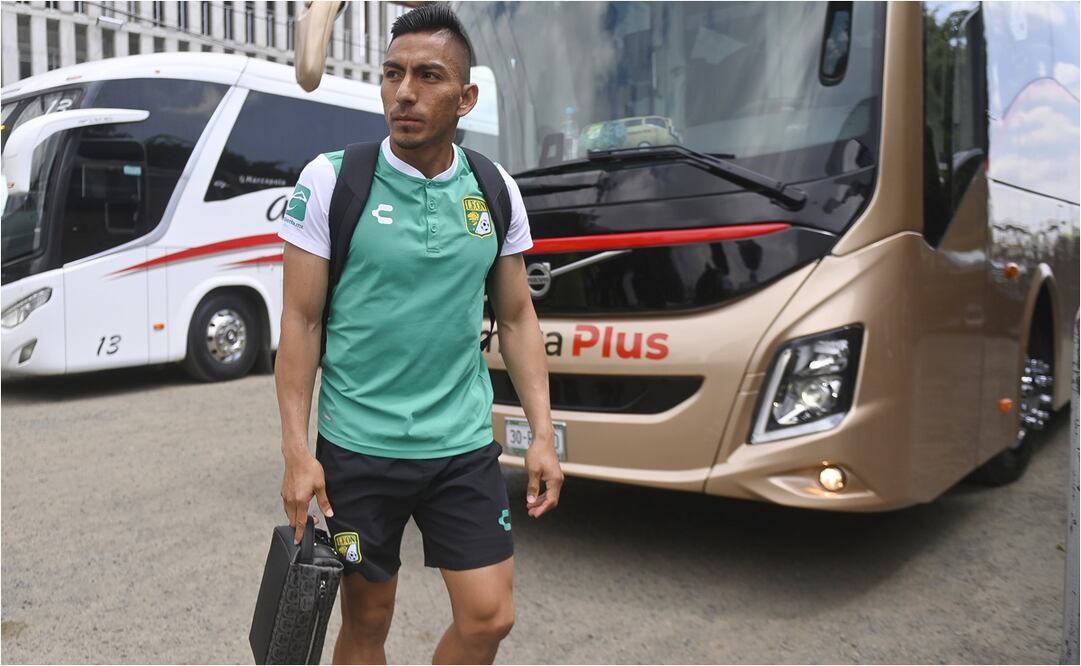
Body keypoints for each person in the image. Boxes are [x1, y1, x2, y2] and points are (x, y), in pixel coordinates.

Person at [274, 4, 563, 665]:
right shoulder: (330, 181)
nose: (403, 92)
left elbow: (517, 318)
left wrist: (541, 435)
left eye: (428, 76)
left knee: (489, 617)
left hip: (460, 448)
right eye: (392, 73)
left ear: (466, 97)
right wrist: (297, 453)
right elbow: (300, 322)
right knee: (367, 622)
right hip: (355, 456)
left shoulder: (492, 189)